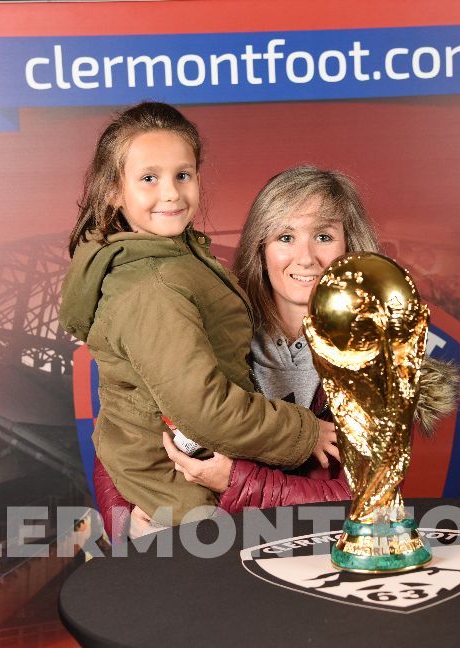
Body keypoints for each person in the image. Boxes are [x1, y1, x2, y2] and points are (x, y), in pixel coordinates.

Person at [102, 165, 459, 539]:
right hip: (209, 563)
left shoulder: (378, 361)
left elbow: (357, 498)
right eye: (285, 237)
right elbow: (124, 429)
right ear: (261, 247)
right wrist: (124, 522)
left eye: (323, 236)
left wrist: (233, 480)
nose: (305, 258)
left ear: (350, 246)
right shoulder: (206, 332)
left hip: (314, 562)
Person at [59, 104, 339, 530]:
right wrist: (305, 432)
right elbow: (201, 409)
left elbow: (358, 496)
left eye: (182, 175)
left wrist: (234, 478)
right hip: (182, 501)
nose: (170, 192)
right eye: (149, 178)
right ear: (113, 190)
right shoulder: (155, 285)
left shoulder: (180, 260)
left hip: (225, 504)